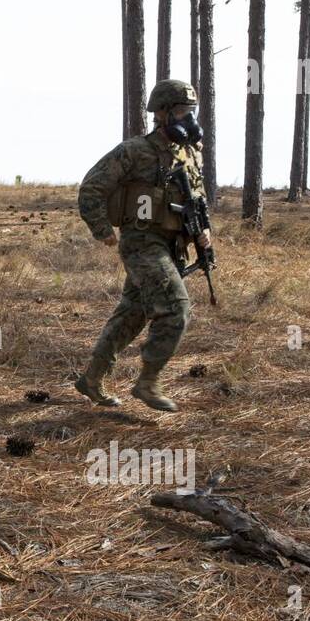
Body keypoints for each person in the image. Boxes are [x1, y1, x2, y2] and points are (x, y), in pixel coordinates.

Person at [74, 79, 212, 412]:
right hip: (142, 242)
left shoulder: (190, 154)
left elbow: (197, 199)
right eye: (180, 111)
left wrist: (203, 231)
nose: (187, 119)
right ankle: (148, 382)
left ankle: (91, 378)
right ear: (162, 113)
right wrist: (102, 228)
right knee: (175, 308)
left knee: (132, 314)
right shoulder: (135, 151)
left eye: (190, 112)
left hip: (174, 245)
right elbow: (91, 187)